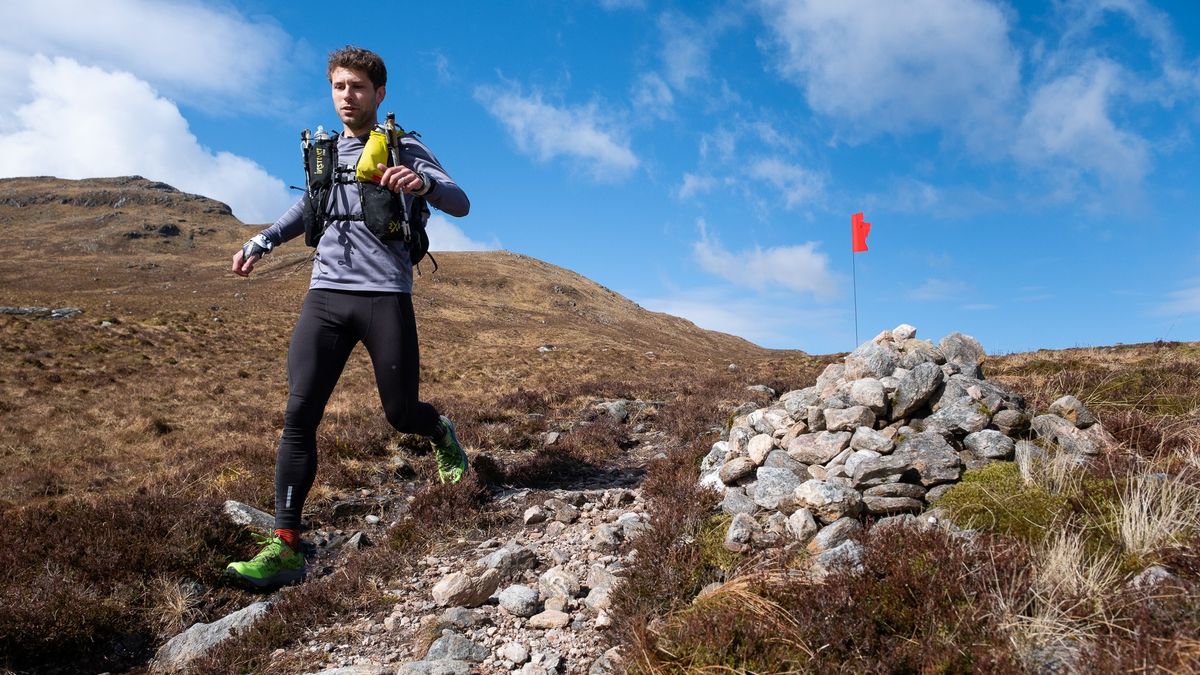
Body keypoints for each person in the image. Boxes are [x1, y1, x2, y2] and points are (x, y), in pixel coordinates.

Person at [224, 46, 470, 589]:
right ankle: (286, 545)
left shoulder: (403, 147)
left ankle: (439, 431)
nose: (347, 97)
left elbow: (460, 201)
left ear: (379, 93)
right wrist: (261, 241)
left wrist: (421, 183)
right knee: (299, 416)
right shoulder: (326, 150)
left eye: (357, 87)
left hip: (384, 296)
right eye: (339, 87)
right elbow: (309, 208)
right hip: (326, 296)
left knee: (401, 412)